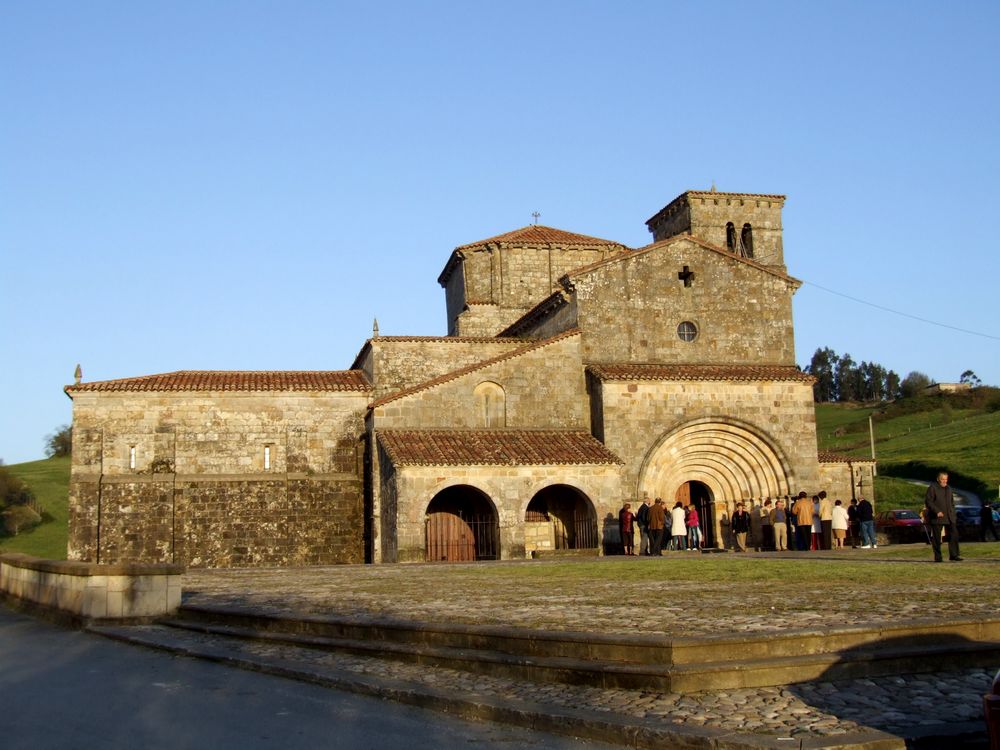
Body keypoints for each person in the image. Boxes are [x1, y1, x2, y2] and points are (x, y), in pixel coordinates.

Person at [925, 472, 961, 562]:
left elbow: (952, 503)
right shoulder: (932, 488)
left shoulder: (949, 488)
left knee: (954, 535)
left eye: (946, 479)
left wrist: (953, 513)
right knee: (937, 539)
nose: (945, 481)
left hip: (950, 517)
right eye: (943, 479)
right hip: (937, 517)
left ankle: (954, 555)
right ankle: (938, 557)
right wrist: (937, 511)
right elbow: (928, 502)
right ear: (938, 479)